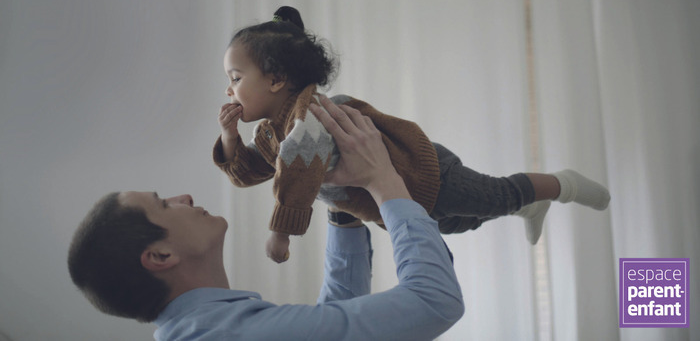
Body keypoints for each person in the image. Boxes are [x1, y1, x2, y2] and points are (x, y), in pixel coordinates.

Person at [215, 6, 611, 262]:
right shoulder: (270, 135)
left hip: (427, 174)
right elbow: (248, 172)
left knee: (495, 196)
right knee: (463, 223)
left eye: (235, 78)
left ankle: (564, 185)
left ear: (276, 79)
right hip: (398, 206)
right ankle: (528, 206)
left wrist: (281, 235)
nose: (229, 89)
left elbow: (298, 171)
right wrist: (231, 137)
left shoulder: (309, 115)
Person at [67, 97, 465, 340]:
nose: (183, 197)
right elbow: (434, 302)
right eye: (163, 204)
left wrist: (340, 202)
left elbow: (335, 320)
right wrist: (384, 180)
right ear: (160, 256)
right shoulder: (233, 334)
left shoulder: (211, 328)